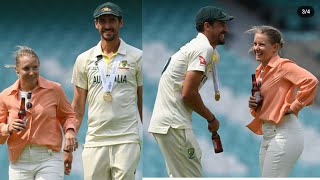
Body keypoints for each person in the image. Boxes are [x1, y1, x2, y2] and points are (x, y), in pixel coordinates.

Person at [148, 6, 233, 177]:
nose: (226, 29)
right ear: (207, 26)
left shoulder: (203, 48)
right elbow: (189, 94)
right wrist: (211, 118)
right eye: (221, 24)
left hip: (170, 123)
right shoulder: (203, 48)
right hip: (174, 123)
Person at [71, 2, 142, 180]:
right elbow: (78, 105)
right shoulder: (83, 59)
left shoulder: (137, 57)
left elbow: (142, 100)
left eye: (112, 20)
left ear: (121, 22)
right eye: (103, 21)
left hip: (126, 139)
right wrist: (70, 132)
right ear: (96, 24)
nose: (107, 25)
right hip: (95, 140)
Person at [246, 25, 319, 177]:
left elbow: (311, 81)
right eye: (254, 44)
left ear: (275, 47)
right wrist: (255, 105)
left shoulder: (283, 66)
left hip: (284, 133)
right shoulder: (260, 71)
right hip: (269, 135)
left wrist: (295, 107)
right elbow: (266, 106)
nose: (256, 48)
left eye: (261, 44)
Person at [0, 46, 79, 180]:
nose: (32, 73)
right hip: (19, 162)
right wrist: (8, 127)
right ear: (17, 70)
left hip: (49, 159)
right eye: (26, 68)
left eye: (35, 67)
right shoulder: (5, 95)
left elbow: (68, 116)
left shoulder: (55, 89)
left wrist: (70, 131)